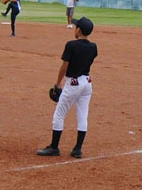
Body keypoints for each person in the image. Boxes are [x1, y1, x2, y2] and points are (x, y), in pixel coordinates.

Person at [37, 17, 98, 158]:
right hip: (87, 83)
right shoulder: (93, 47)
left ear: (79, 30)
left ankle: (54, 147)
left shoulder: (71, 45)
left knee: (59, 114)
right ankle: (77, 149)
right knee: (83, 115)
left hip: (73, 84)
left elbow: (65, 65)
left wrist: (57, 84)